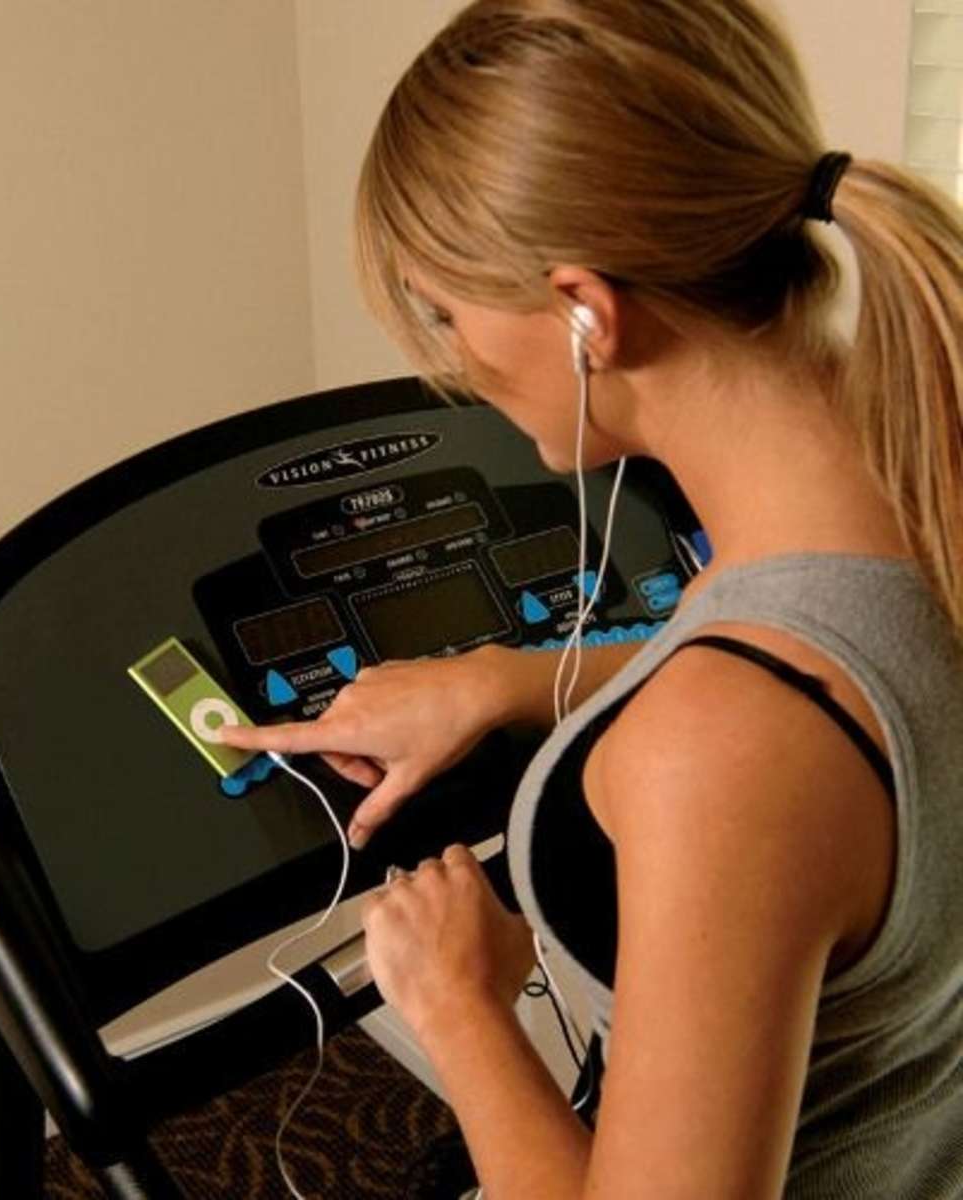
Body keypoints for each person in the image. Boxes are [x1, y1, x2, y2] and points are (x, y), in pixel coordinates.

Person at [221, 1, 963, 1195]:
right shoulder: (910, 489)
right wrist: (505, 683)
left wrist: (459, 1005)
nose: (453, 366)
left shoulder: (723, 748)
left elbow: (751, 749)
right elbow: (834, 690)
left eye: (447, 314)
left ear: (585, 313)